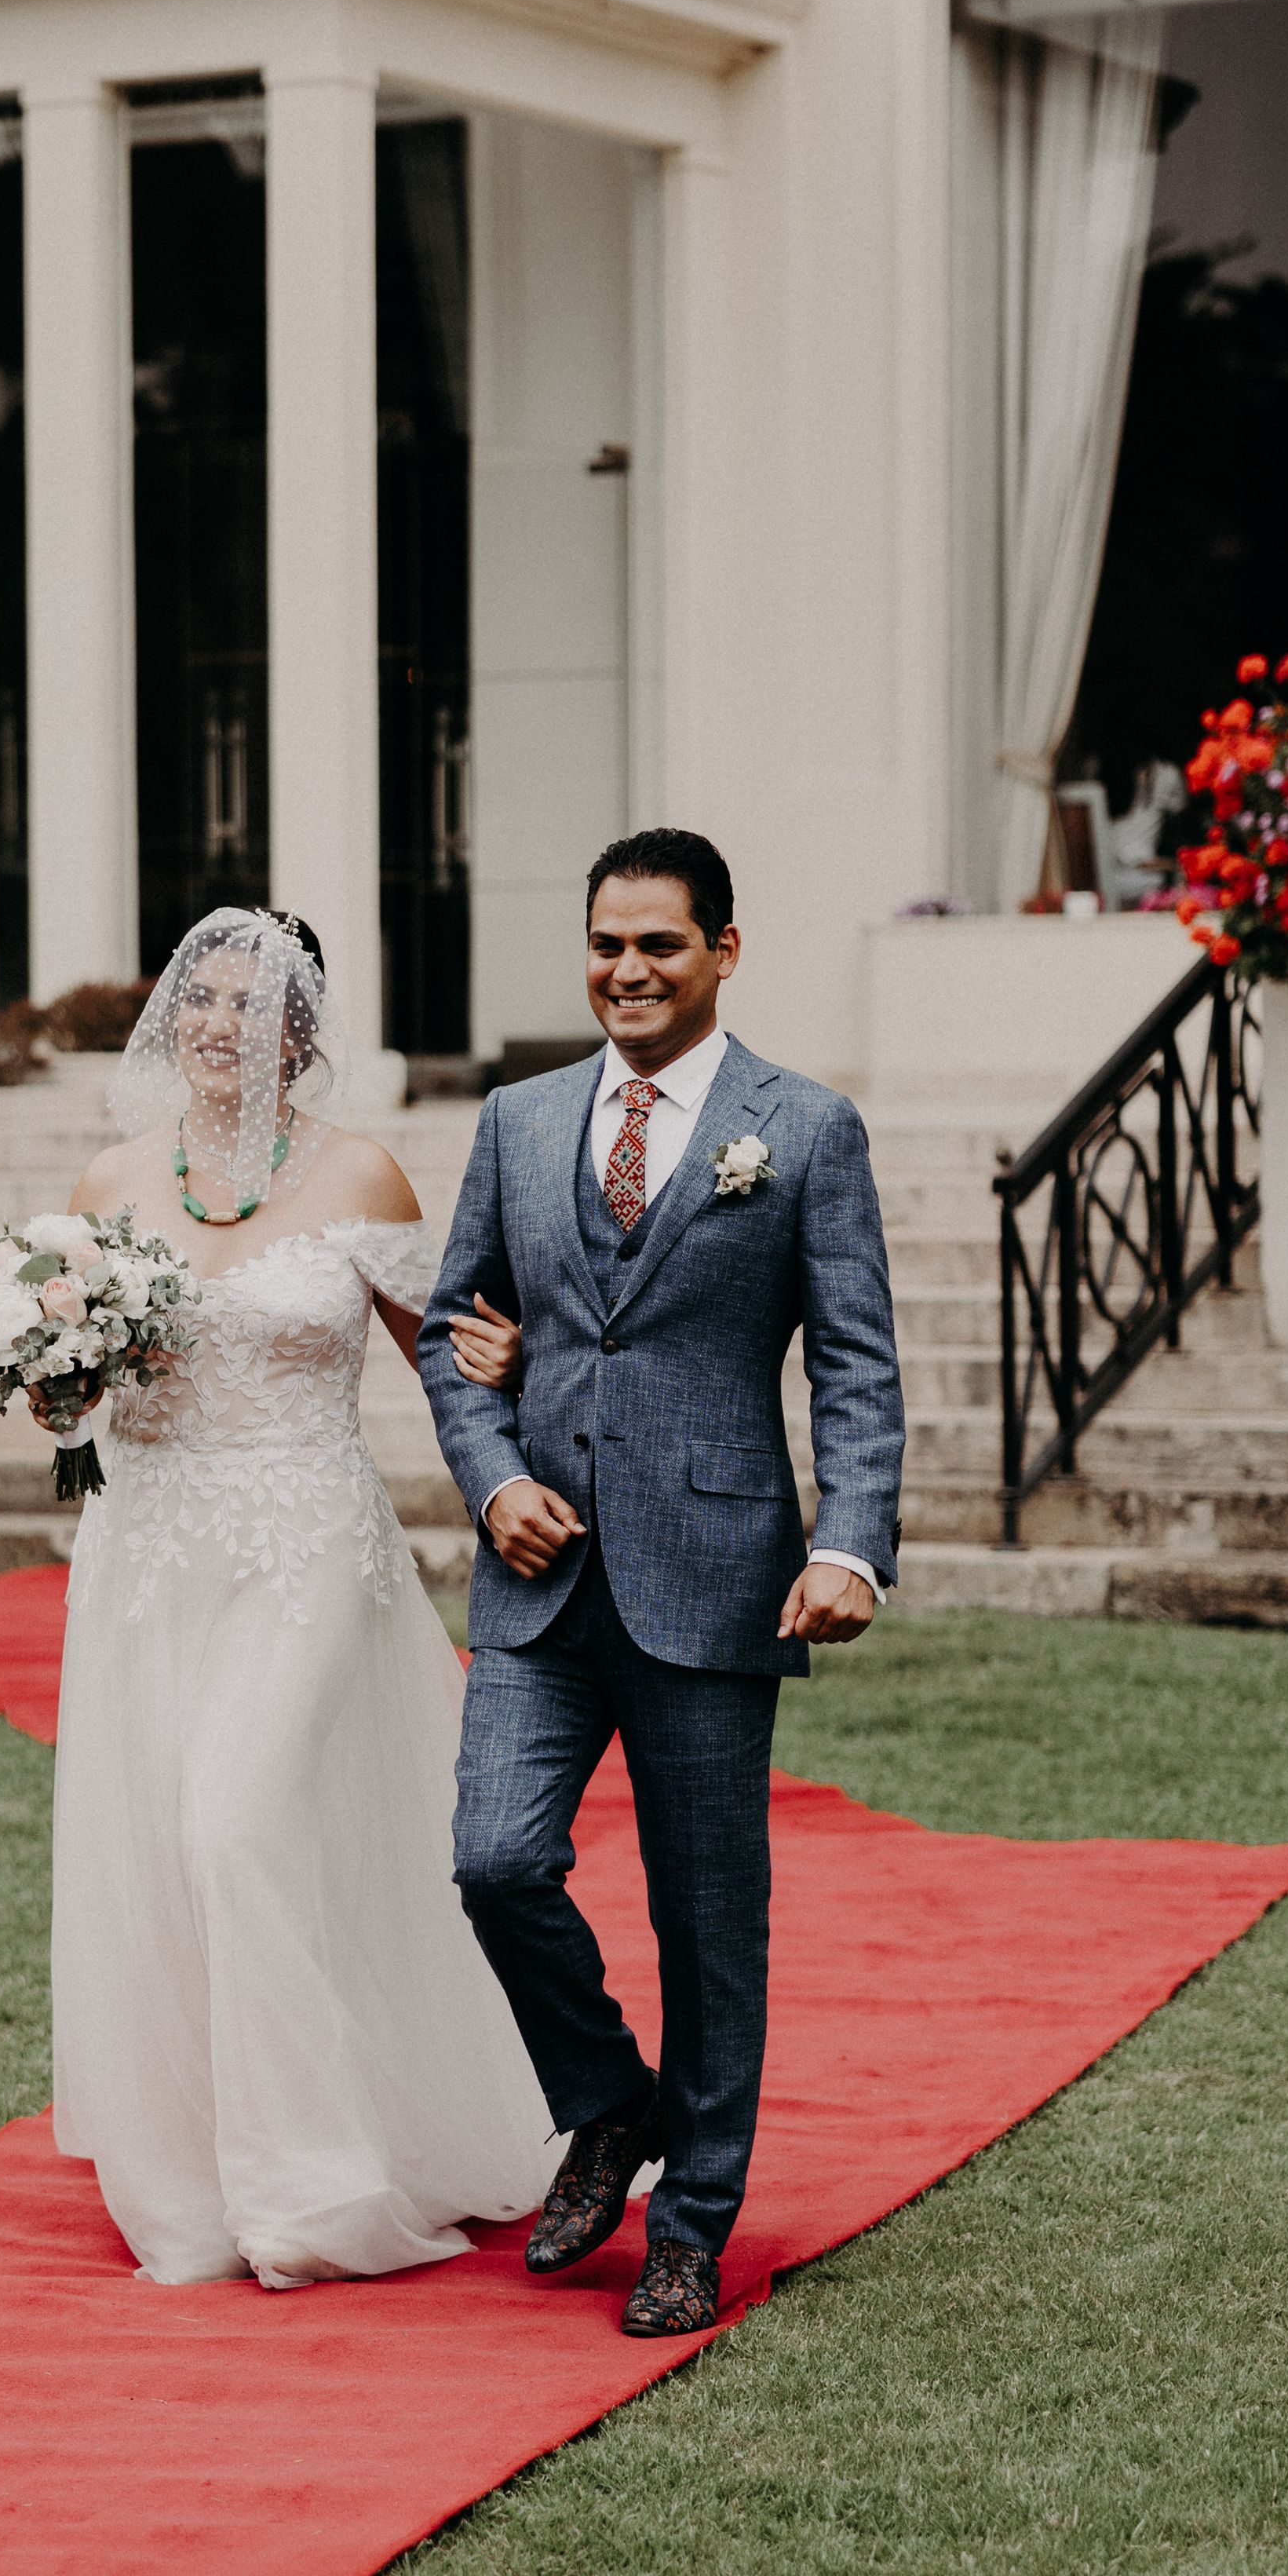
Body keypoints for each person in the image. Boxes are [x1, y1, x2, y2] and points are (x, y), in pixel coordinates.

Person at [418, 829, 905, 2342]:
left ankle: (693, 2224)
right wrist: (493, 1477)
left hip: (716, 1575)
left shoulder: (804, 1132)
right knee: (495, 1860)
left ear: (724, 952)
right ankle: (609, 2105)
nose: (628, 972)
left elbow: (857, 1367)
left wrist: (849, 1546)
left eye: (661, 947)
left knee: (709, 1922)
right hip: (540, 1584)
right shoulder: (517, 1118)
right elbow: (455, 1329)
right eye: (607, 944)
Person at [35, 907, 558, 2290]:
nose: (216, 1023)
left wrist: (506, 1399)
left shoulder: (361, 1175)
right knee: (158, 1853)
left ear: (301, 1028)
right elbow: (74, 1400)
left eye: (247, 1000)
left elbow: (448, 1351)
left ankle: (310, 2187)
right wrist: (48, 1384)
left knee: (233, 1825)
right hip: (149, 1553)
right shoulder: (111, 1182)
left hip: (309, 1541)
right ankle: (198, 2173)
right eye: (195, 997)